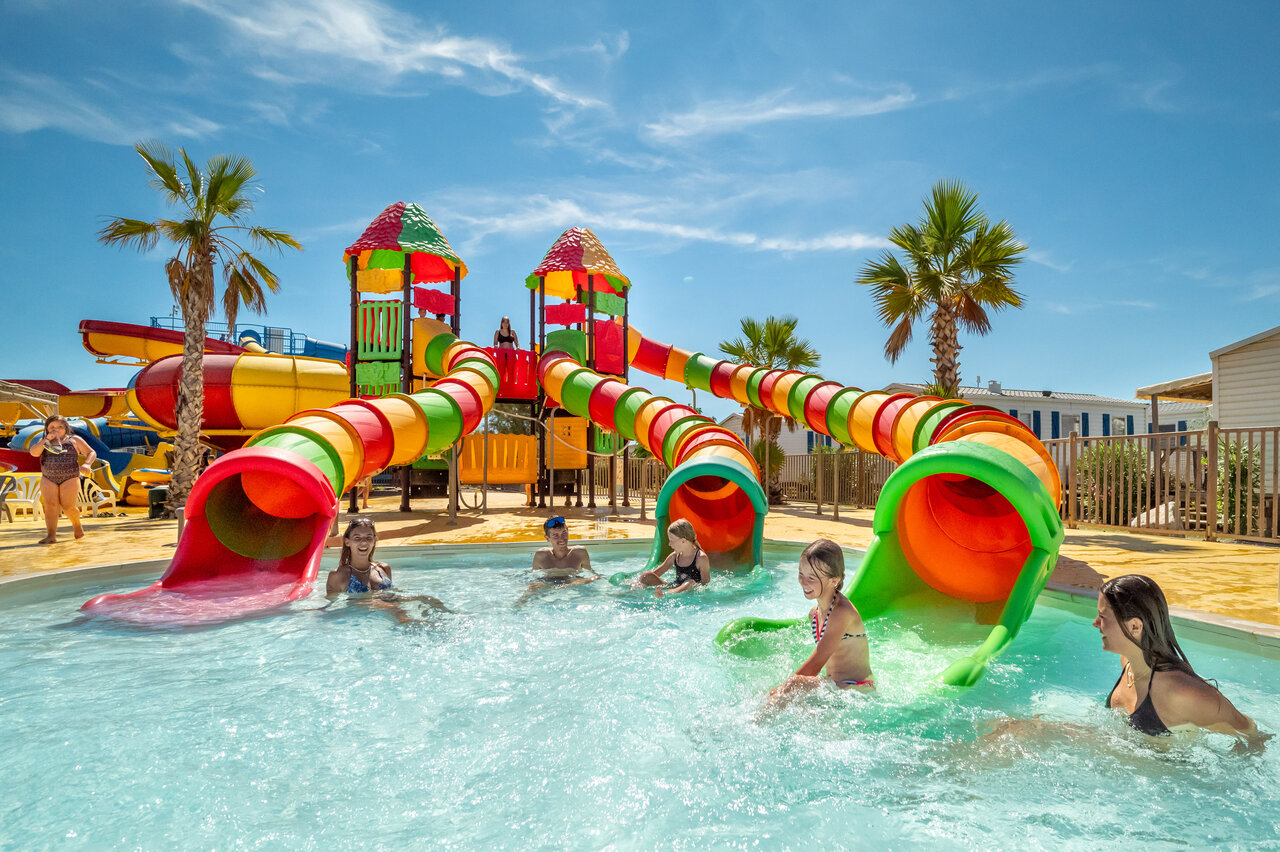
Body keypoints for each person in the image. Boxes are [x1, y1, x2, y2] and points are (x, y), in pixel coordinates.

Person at [1097, 574, 1262, 741]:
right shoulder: (1128, 662)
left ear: (1135, 626)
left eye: (1102, 617)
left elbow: (1252, 733)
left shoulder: (1182, 693)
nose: (1095, 623)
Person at [769, 539, 874, 704]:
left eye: (812, 578)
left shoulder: (842, 613)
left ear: (834, 580)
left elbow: (817, 662)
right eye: (801, 574)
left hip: (857, 688)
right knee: (793, 697)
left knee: (792, 685)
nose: (803, 582)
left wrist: (783, 688)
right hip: (834, 685)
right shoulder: (814, 614)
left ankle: (752, 725)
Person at [325, 517, 448, 620]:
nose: (364, 542)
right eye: (357, 538)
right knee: (404, 618)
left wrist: (417, 598)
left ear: (374, 540)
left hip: (391, 613)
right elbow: (332, 606)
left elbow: (393, 594)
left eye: (369, 538)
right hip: (364, 621)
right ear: (347, 542)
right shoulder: (338, 575)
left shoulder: (383, 569)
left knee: (430, 600)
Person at [28, 415, 96, 545]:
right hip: (48, 477)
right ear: (47, 429)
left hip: (70, 477)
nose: (56, 429)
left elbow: (91, 452)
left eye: (60, 427)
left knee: (68, 507)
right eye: (52, 427)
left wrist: (87, 464)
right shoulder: (44, 441)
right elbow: (34, 453)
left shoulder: (74, 440)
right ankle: (51, 536)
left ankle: (77, 525)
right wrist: (45, 440)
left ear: (66, 428)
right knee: (50, 506)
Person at [517, 515, 599, 605]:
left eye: (564, 533)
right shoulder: (541, 556)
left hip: (573, 587)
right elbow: (534, 578)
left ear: (568, 531)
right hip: (548, 586)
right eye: (555, 535)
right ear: (547, 538)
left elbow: (594, 576)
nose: (561, 539)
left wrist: (573, 584)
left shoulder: (579, 553)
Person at [633, 519, 711, 598]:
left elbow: (705, 585)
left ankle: (665, 595)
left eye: (671, 540)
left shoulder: (700, 558)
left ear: (683, 541)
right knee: (646, 575)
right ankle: (631, 593)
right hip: (675, 588)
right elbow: (655, 574)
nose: (669, 544)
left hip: (689, 589)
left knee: (690, 582)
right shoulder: (674, 556)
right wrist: (638, 582)